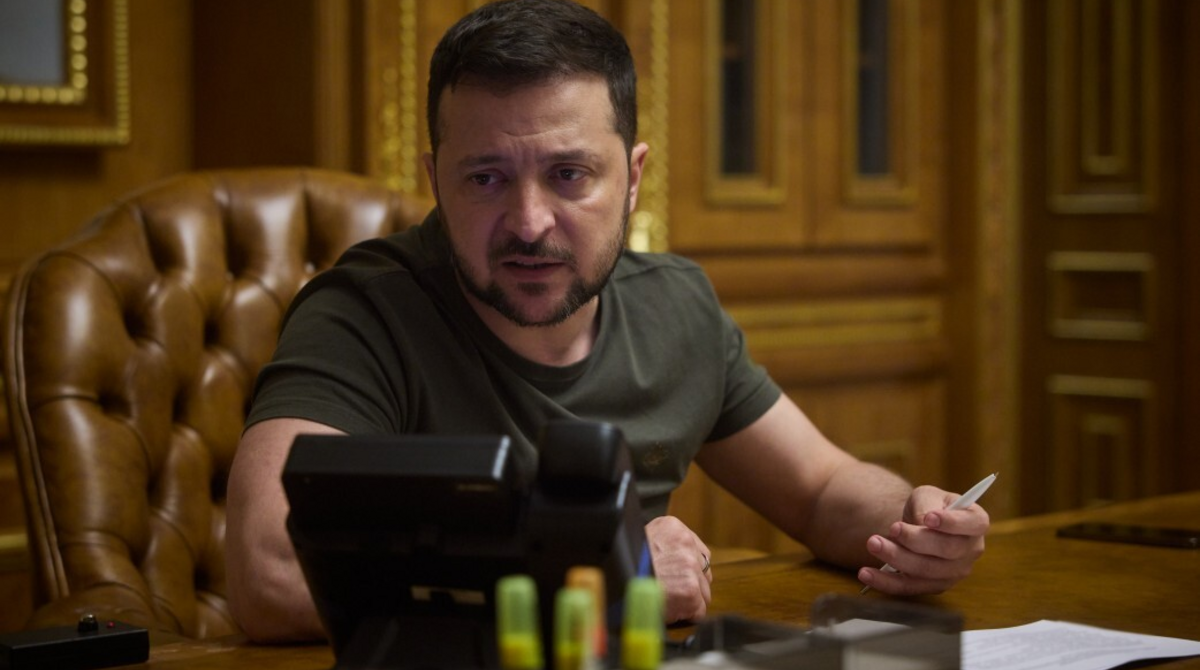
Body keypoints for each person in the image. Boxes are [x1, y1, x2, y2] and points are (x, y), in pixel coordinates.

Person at [225, 0, 990, 643]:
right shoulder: (362, 313)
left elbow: (821, 490)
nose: (529, 222)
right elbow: (270, 572)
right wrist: (602, 578)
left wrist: (912, 523)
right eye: (486, 178)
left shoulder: (675, 307)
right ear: (434, 180)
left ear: (632, 179)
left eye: (569, 175)